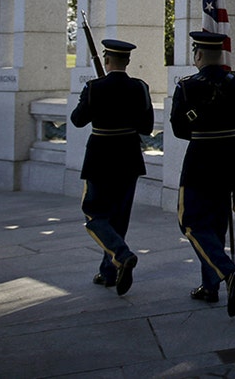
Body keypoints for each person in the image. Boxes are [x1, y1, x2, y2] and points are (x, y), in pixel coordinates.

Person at [171, 31, 235, 317]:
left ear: (198, 55)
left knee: (191, 222)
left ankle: (229, 273)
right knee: (217, 223)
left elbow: (179, 129)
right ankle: (210, 286)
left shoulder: (187, 87)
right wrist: (232, 144)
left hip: (201, 159)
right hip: (230, 158)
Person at [70, 39, 154, 296]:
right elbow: (147, 128)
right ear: (127, 61)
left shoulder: (94, 87)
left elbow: (77, 120)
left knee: (94, 214)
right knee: (119, 217)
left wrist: (91, 97)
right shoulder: (140, 87)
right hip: (128, 158)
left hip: (100, 159)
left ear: (106, 61)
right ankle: (109, 271)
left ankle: (121, 254)